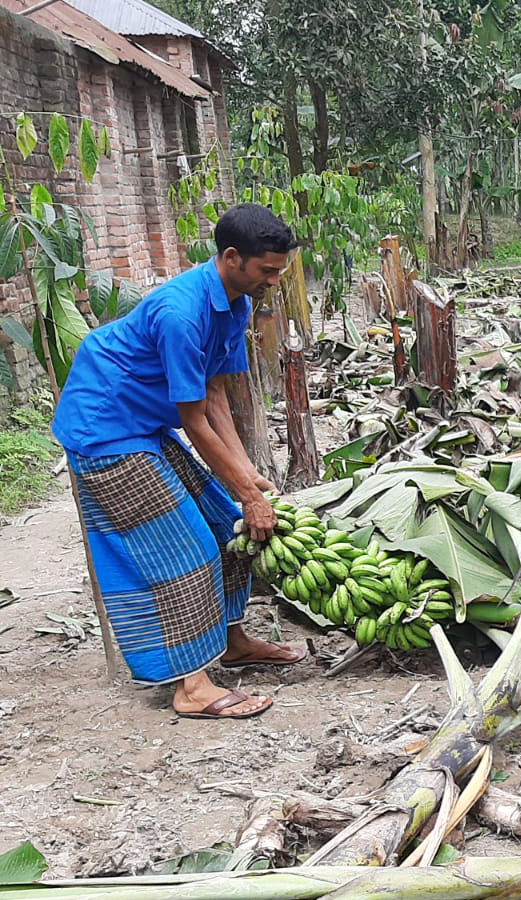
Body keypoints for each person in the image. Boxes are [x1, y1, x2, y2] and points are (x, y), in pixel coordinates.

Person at [52, 203, 305, 720]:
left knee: (224, 525)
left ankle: (230, 642)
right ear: (232, 258)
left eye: (281, 270)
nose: (276, 281)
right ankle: (192, 687)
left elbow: (216, 396)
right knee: (185, 548)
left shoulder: (236, 302)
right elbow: (193, 422)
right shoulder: (180, 314)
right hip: (104, 427)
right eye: (268, 270)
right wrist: (250, 492)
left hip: (144, 421)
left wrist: (246, 475)